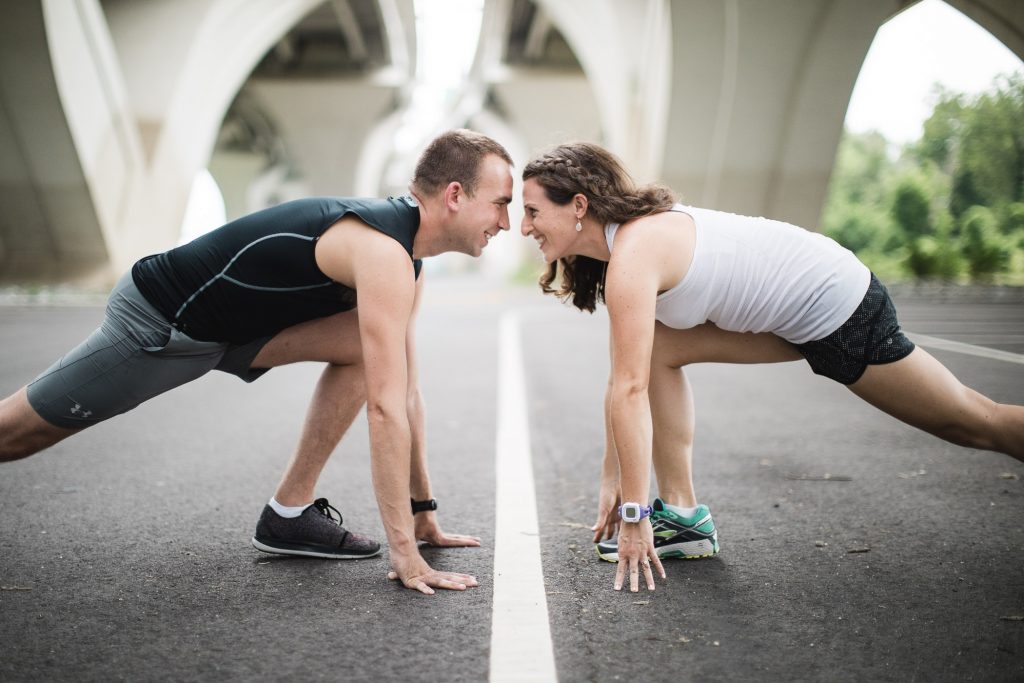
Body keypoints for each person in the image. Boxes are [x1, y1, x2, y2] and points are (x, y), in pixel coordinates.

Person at [0, 129, 514, 596]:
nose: (507, 223)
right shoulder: (383, 255)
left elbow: (404, 394)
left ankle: (288, 514)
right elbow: (384, 411)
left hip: (234, 333)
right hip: (160, 322)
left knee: (368, 350)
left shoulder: (408, 262)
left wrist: (424, 515)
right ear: (454, 196)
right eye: (500, 204)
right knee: (17, 434)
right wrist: (405, 556)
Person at [520, 142, 1024, 594]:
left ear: (579, 206)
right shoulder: (622, 254)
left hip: (839, 308)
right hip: (802, 314)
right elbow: (625, 378)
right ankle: (684, 517)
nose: (524, 227)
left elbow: (628, 390)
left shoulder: (634, 254)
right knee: (657, 354)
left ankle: (667, 515)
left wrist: (633, 516)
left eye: (532, 211)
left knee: (972, 422)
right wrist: (612, 480)